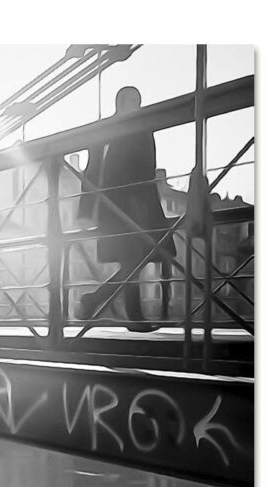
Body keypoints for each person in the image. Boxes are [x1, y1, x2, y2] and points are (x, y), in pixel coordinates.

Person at [77, 86, 176, 331]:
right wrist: (87, 207)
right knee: (134, 258)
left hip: (139, 203)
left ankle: (99, 301)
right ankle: (130, 314)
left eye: (137, 100)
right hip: (120, 205)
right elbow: (95, 165)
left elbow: (146, 167)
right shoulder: (115, 128)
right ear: (118, 102)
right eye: (130, 99)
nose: (135, 104)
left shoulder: (139, 126)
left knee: (136, 258)